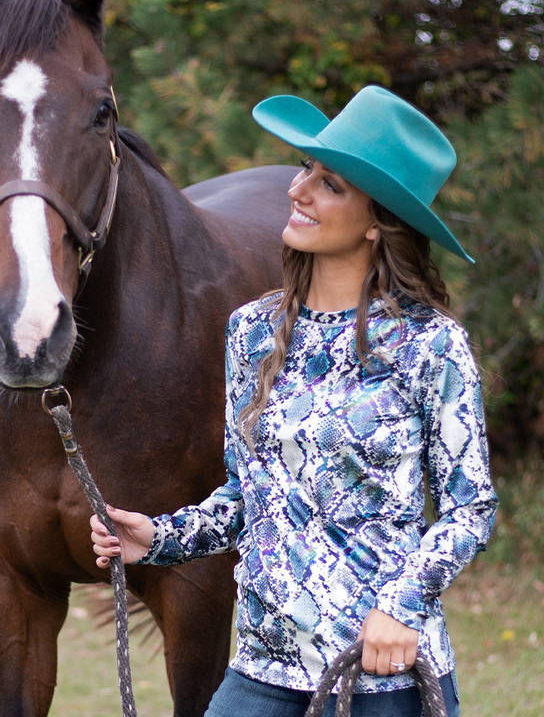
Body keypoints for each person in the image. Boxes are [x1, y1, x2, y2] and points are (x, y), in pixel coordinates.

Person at [90, 85, 498, 717]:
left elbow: (470, 508)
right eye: (307, 168)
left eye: (329, 183)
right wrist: (160, 537)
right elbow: (247, 494)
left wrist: (403, 604)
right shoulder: (251, 332)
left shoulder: (430, 344)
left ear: (376, 221)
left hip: (379, 672)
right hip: (264, 667)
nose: (297, 188)